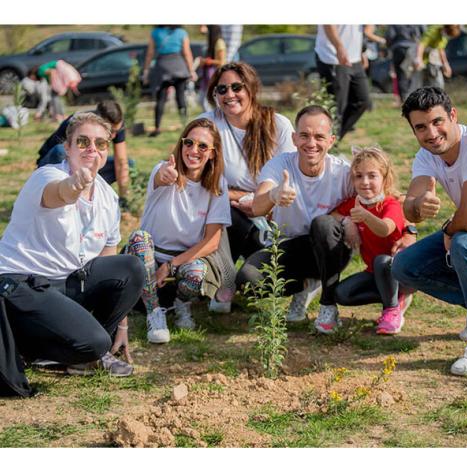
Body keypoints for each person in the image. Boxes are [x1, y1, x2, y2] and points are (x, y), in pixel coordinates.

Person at [0, 112, 146, 378]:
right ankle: (37, 348)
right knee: (94, 341)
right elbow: (59, 194)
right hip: (21, 283)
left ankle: (89, 350)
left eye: (100, 144)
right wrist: (74, 185)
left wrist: (121, 326)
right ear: (67, 147)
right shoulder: (46, 176)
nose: (92, 149)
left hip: (65, 281)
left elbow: (106, 260)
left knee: (131, 267)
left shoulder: (108, 197)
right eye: (83, 142)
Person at [392, 86, 467, 376]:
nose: (431, 132)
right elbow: (409, 208)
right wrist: (418, 205)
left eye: (437, 121)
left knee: (466, 243)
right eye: (421, 127)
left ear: (453, 115)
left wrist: (448, 230)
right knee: (405, 265)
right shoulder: (427, 155)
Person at [236, 105, 355, 330]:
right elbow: (259, 206)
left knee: (323, 224)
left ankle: (328, 306)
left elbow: (376, 198)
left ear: (331, 140)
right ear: (294, 138)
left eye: (319, 137)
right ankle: (305, 285)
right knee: (248, 280)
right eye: (304, 135)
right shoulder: (280, 165)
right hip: (290, 246)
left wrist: (345, 216)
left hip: (331, 246)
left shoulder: (343, 173)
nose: (311, 143)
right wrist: (274, 194)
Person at [200, 62, 297, 311]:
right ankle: (224, 282)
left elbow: (293, 179)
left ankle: (305, 281)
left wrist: (259, 200)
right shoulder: (208, 126)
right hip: (233, 217)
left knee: (255, 279)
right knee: (224, 209)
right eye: (221, 90)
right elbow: (196, 179)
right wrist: (239, 196)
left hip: (274, 221)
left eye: (236, 87)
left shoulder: (278, 125)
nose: (229, 95)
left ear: (251, 88)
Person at [125, 118, 232, 338]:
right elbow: (161, 175)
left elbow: (212, 241)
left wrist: (172, 265)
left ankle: (181, 304)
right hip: (149, 257)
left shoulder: (217, 184)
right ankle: (154, 314)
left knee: (198, 271)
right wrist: (165, 174)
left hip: (182, 261)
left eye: (203, 146)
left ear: (212, 153)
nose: (194, 150)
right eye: (189, 142)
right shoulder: (164, 171)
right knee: (138, 238)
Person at [333, 146, 412, 335]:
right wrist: (347, 222)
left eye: (372, 176)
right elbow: (333, 214)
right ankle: (395, 297)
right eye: (358, 176)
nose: (365, 182)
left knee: (382, 261)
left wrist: (365, 217)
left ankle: (392, 310)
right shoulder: (356, 203)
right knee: (341, 294)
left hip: (399, 272)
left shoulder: (390, 204)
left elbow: (385, 229)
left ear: (385, 178)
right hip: (373, 272)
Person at [36, 100, 132, 209]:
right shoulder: (77, 123)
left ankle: (89, 191)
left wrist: (124, 198)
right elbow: (73, 158)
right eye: (112, 131)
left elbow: (121, 161)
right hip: (54, 163)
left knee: (128, 164)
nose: (114, 135)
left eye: (117, 131)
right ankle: (65, 196)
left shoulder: (115, 126)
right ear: (100, 120)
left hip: (83, 168)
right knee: (61, 151)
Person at [315, 25, 371, 140]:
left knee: (362, 101)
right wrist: (339, 47)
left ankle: (332, 141)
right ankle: (328, 145)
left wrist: (361, 51)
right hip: (333, 57)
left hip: (354, 58)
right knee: (336, 107)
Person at [143, 25, 197, 137]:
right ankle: (185, 125)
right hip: (178, 65)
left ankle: (157, 127)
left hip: (162, 67)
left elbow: (150, 53)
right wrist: (191, 70)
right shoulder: (181, 32)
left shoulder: (156, 32)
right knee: (180, 97)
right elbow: (187, 53)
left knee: (160, 99)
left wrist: (146, 71)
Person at [385, 25, 426, 101]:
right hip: (414, 49)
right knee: (414, 75)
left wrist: (389, 47)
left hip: (398, 49)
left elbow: (389, 36)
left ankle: (404, 99)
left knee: (401, 75)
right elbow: (425, 34)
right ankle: (415, 99)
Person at [414, 25, 461, 89]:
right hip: (422, 62)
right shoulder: (433, 30)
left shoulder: (443, 37)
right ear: (445, 29)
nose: (448, 36)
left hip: (433, 61)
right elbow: (422, 44)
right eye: (448, 34)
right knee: (421, 85)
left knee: (438, 84)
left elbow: (441, 50)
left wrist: (446, 64)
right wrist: (419, 58)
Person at [198, 25, 227, 112]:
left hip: (215, 75)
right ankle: (211, 119)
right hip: (209, 75)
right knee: (202, 100)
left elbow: (221, 62)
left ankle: (217, 120)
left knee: (212, 101)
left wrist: (208, 61)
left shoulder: (219, 42)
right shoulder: (213, 43)